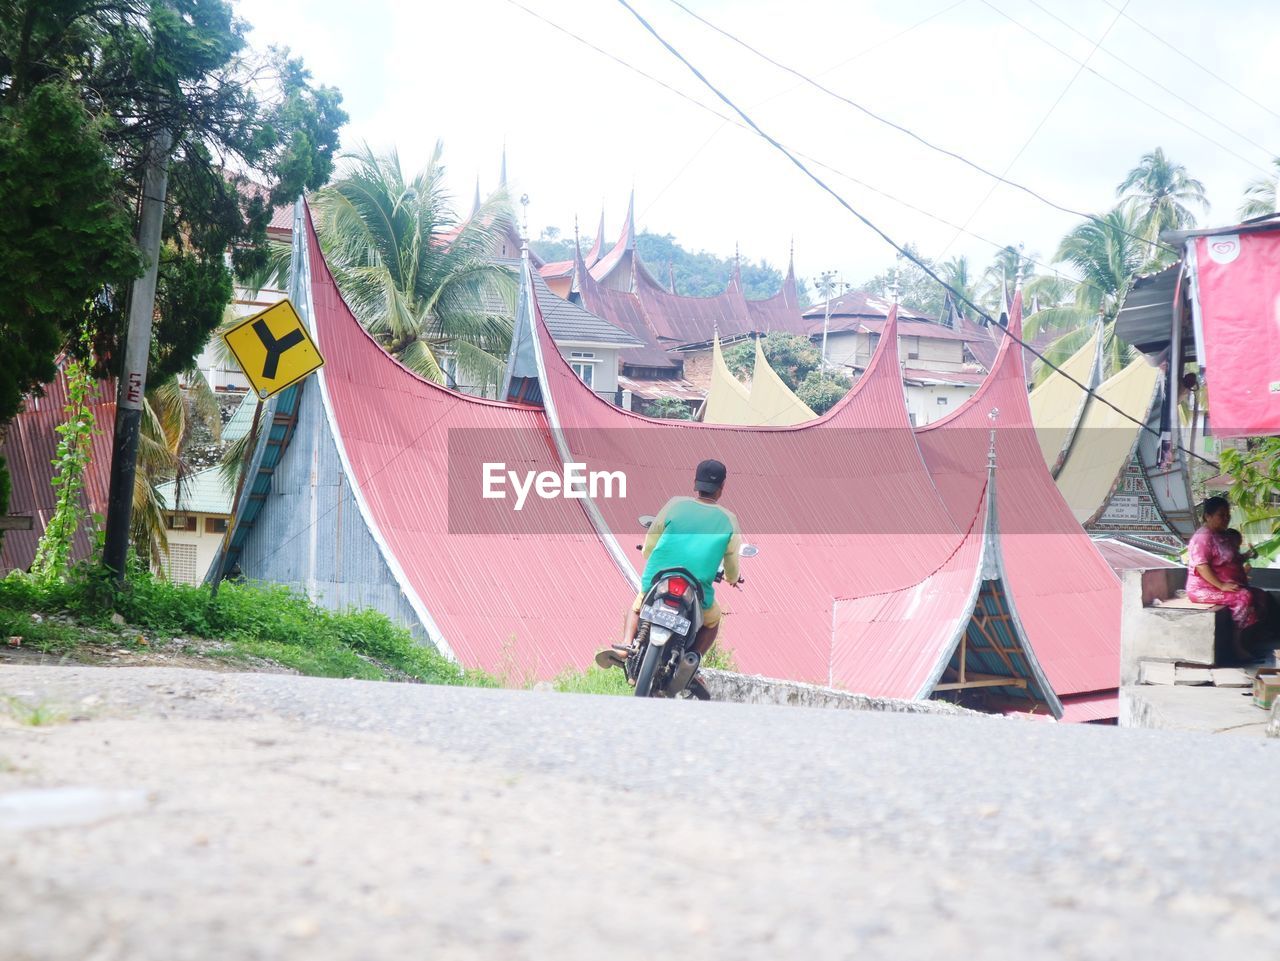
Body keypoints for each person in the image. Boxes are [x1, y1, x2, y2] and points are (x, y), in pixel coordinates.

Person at [596, 459, 742, 672]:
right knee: (713, 620)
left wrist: (647, 551)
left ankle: (626, 646)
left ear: (695, 482)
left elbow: (653, 535)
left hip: (659, 577)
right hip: (696, 588)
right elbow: (731, 561)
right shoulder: (729, 520)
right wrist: (732, 578)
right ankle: (690, 661)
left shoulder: (676, 505)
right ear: (722, 487)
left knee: (638, 606)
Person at [1186, 497, 1268, 662]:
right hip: (1205, 589)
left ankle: (1248, 643)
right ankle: (1236, 647)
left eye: (1227, 515)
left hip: (1227, 585)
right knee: (1243, 597)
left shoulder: (1223, 535)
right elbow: (1201, 566)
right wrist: (1221, 585)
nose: (1226, 518)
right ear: (1207, 516)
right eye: (1221, 515)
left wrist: (1247, 556)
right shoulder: (1203, 537)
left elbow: (1232, 559)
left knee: (1260, 596)